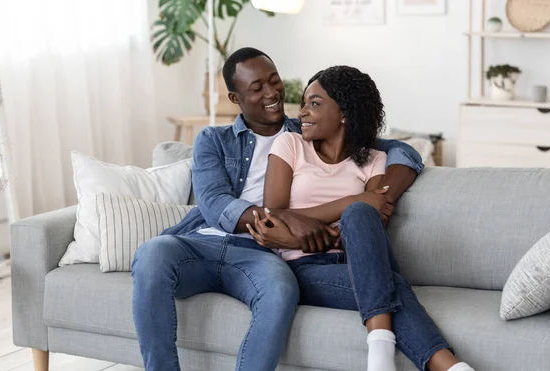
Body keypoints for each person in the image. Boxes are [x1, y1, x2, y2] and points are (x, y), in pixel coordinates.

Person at [131, 47, 423, 371]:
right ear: (234, 97)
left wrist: (380, 196)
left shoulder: (306, 131)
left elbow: (399, 149)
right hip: (204, 243)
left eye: (275, 81)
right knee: (153, 253)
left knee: (282, 289)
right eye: (257, 88)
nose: (272, 94)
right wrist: (285, 221)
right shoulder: (213, 140)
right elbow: (215, 204)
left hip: (261, 255)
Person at [246, 66, 475, 371]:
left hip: (356, 259)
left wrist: (309, 222)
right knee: (389, 281)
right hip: (304, 267)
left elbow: (368, 222)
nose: (302, 112)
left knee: (360, 214)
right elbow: (271, 217)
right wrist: (354, 200)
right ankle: (447, 367)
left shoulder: (375, 159)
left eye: (315, 103)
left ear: (344, 113)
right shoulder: (290, 145)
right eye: (303, 103)